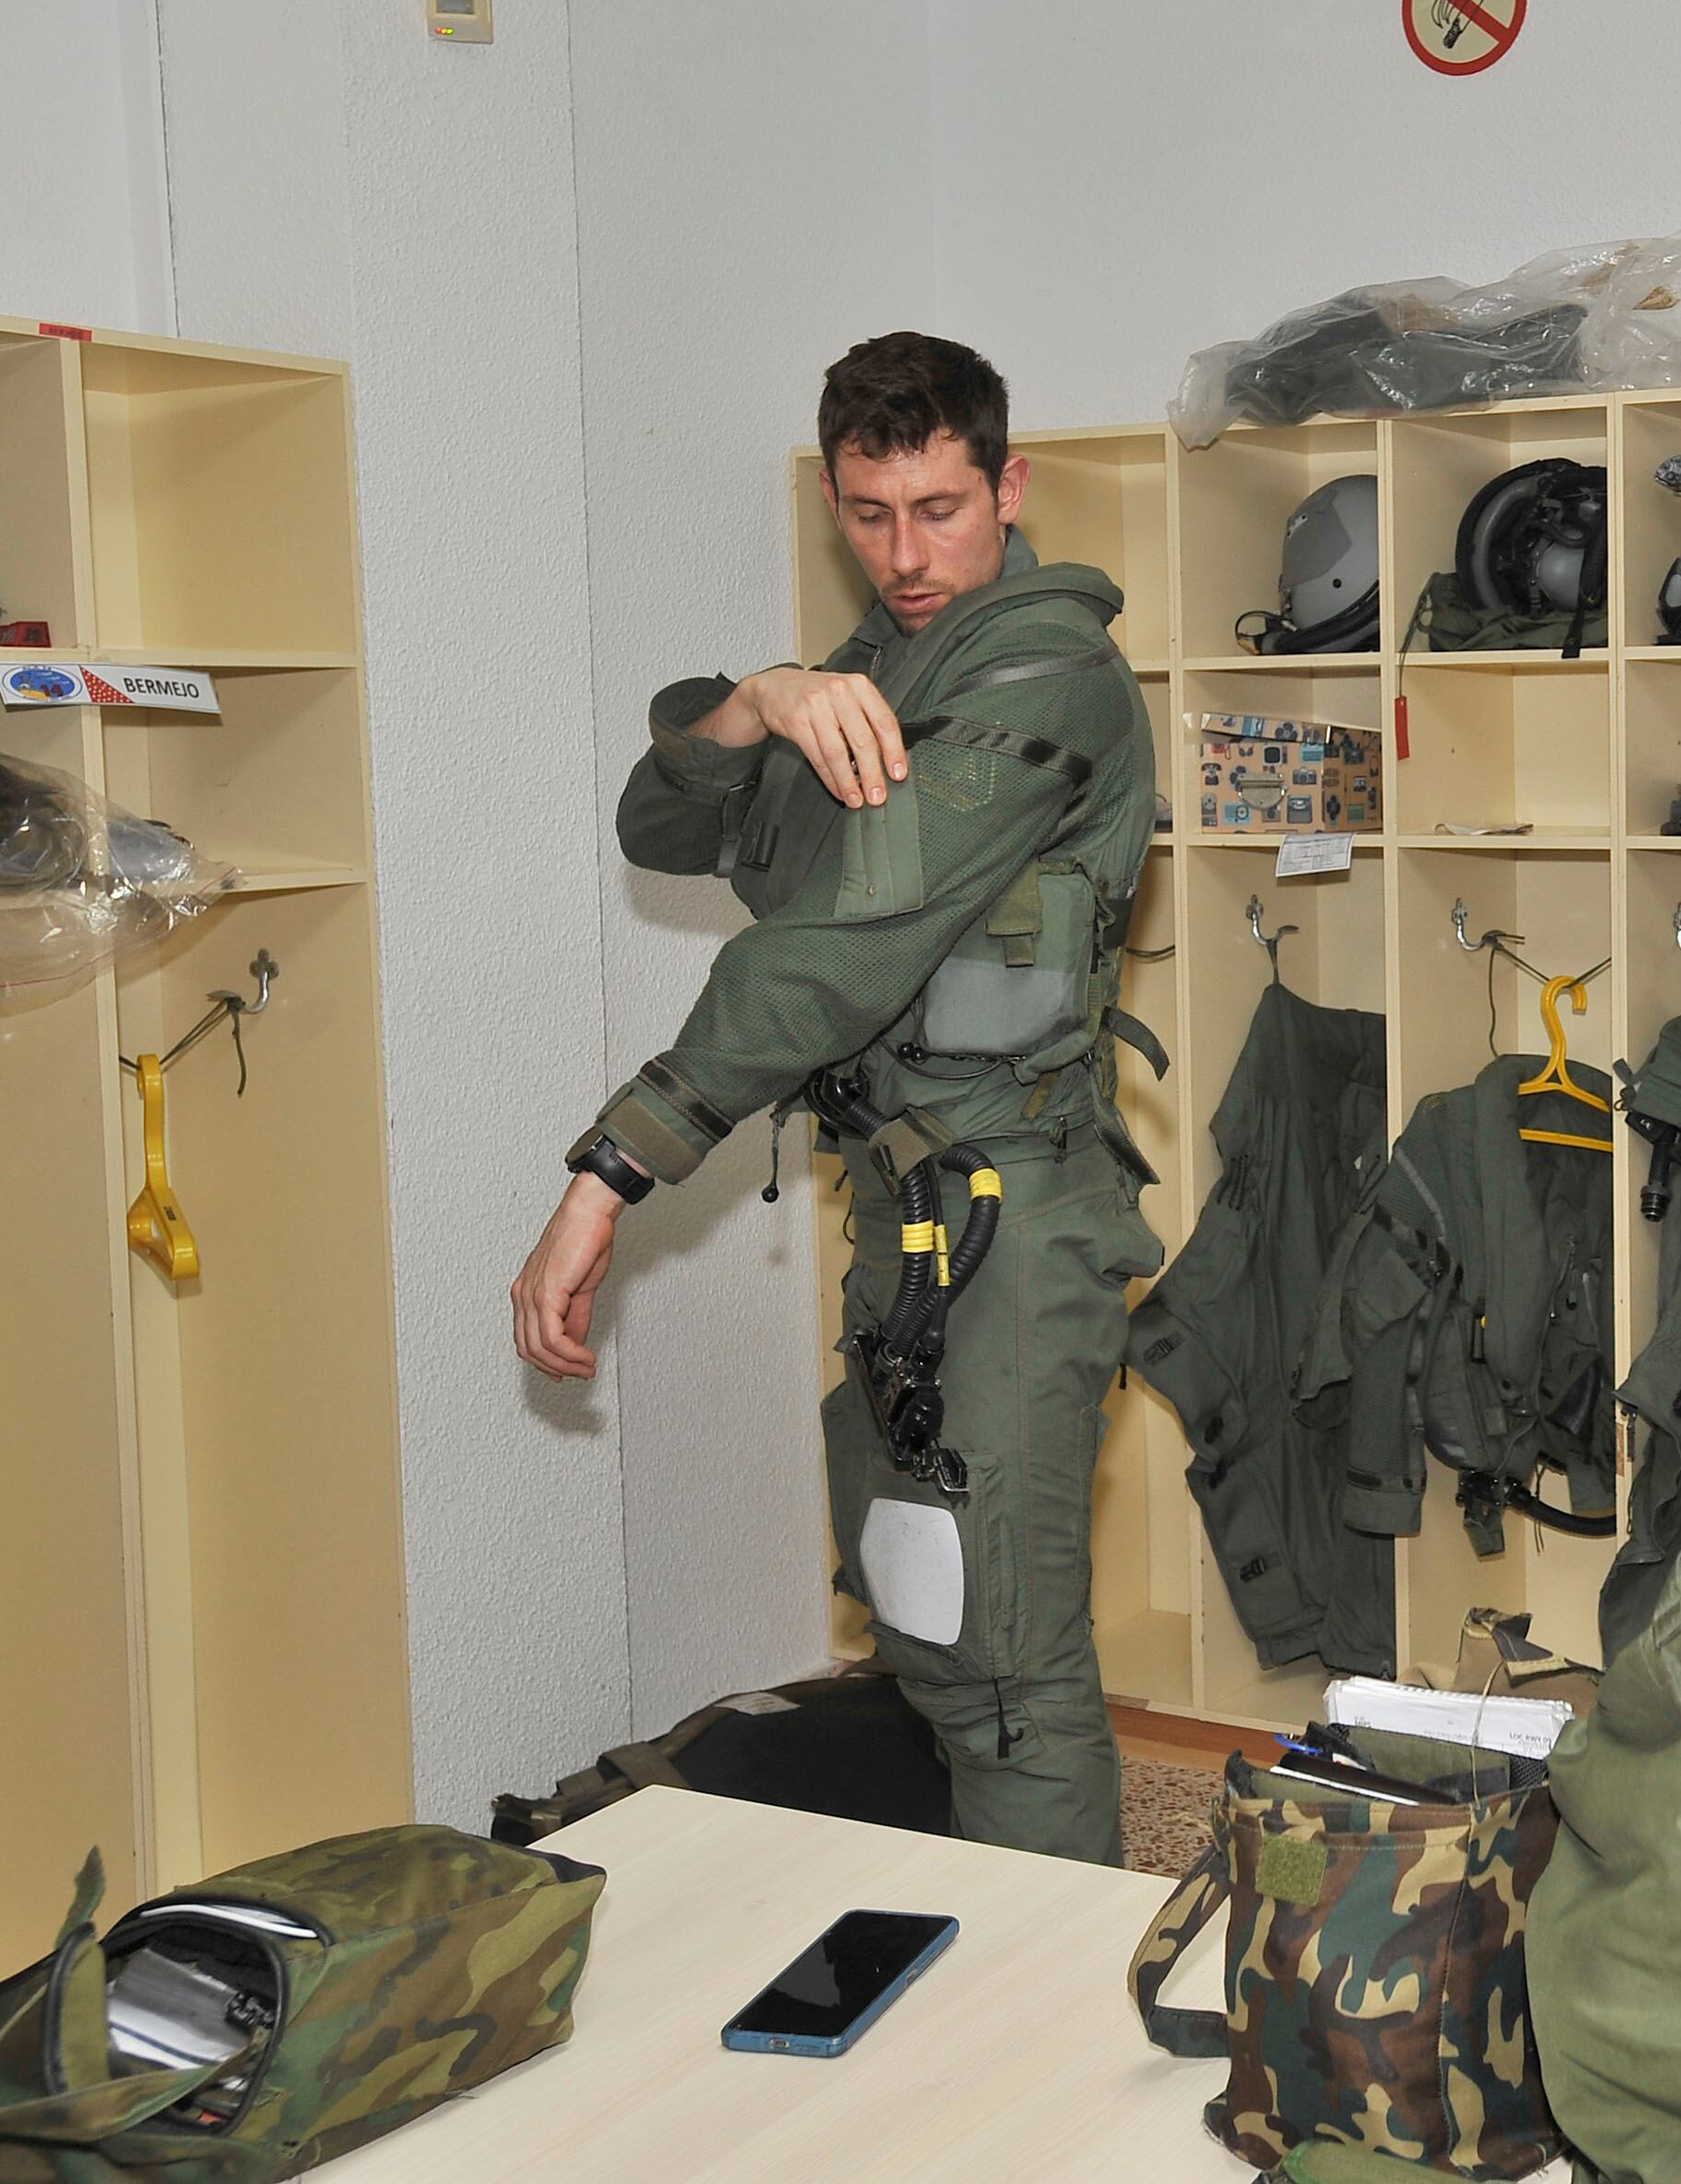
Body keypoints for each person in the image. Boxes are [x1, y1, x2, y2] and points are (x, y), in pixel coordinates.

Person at [510, 332, 1162, 1863]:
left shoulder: (1046, 673)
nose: (907, 551)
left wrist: (613, 1169)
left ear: (1012, 486)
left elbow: (840, 945)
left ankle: (1054, 2034)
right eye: (870, 513)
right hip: (915, 1222)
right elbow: (663, 823)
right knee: (927, 1621)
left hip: (1012, 1215)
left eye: (940, 507)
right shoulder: (871, 672)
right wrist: (757, 702)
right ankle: (986, 1968)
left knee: (1000, 1666)